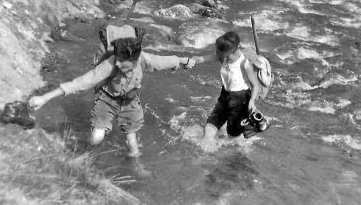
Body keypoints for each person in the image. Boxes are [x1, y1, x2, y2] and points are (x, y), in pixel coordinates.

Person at [29, 25, 196, 157]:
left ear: (134, 60)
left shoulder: (145, 60)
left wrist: (185, 60)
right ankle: (86, 151)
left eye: (121, 63)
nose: (116, 65)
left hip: (130, 101)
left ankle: (135, 161)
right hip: (106, 99)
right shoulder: (109, 64)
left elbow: (166, 61)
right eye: (116, 60)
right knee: (96, 138)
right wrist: (44, 98)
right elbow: (82, 82)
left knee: (131, 138)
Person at [192, 31, 271, 152]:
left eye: (227, 56)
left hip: (240, 101)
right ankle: (203, 157)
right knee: (209, 127)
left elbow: (255, 85)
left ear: (235, 50)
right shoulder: (224, 56)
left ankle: (239, 157)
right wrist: (194, 60)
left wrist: (252, 102)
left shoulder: (244, 64)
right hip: (224, 97)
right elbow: (207, 58)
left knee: (233, 138)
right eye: (222, 55)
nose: (224, 59)